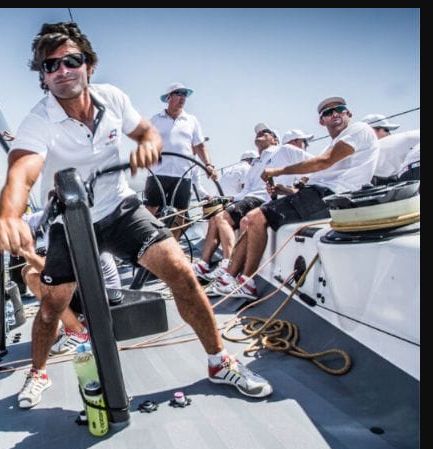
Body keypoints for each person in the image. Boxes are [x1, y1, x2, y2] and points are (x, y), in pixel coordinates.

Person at [0, 22, 273, 410]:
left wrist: (148, 146)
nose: (62, 70)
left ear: (89, 63)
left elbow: (147, 134)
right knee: (53, 306)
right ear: (43, 76)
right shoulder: (39, 120)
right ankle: (37, 372)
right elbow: (22, 170)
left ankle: (219, 362)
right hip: (70, 223)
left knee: (182, 272)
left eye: (71, 60)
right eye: (51, 65)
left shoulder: (113, 99)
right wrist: (9, 213)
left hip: (120, 209)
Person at [216, 97, 379, 300]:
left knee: (254, 218)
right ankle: (229, 276)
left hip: (331, 196)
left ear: (349, 114)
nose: (334, 113)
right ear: (322, 121)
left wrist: (278, 170)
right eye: (328, 112)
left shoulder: (359, 130)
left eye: (339, 109)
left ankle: (246, 283)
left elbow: (324, 162)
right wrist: (282, 189)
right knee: (248, 219)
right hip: (318, 194)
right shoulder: (333, 144)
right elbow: (316, 177)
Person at [0, 208, 121, 355]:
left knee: (32, 274)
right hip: (88, 287)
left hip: (104, 296)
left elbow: (53, 272)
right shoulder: (50, 214)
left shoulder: (73, 223)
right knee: (30, 271)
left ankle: (77, 331)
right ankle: (74, 321)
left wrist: (25, 252)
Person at [199, 126, 312, 295]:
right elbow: (246, 191)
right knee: (217, 217)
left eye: (266, 132)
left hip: (263, 199)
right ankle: (207, 265)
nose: (261, 133)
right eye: (258, 132)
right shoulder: (257, 163)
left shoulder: (284, 150)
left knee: (225, 218)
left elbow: (316, 164)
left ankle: (226, 266)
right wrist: (230, 199)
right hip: (249, 198)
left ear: (275, 140)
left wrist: (298, 186)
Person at [144, 82, 217, 240]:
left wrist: (208, 165)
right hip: (158, 172)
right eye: (179, 93)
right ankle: (146, 246)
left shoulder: (191, 120)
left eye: (185, 94)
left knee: (181, 212)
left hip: (183, 173)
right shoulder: (155, 120)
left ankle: (173, 246)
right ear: (169, 97)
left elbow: (199, 145)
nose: (183, 97)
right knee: (149, 210)